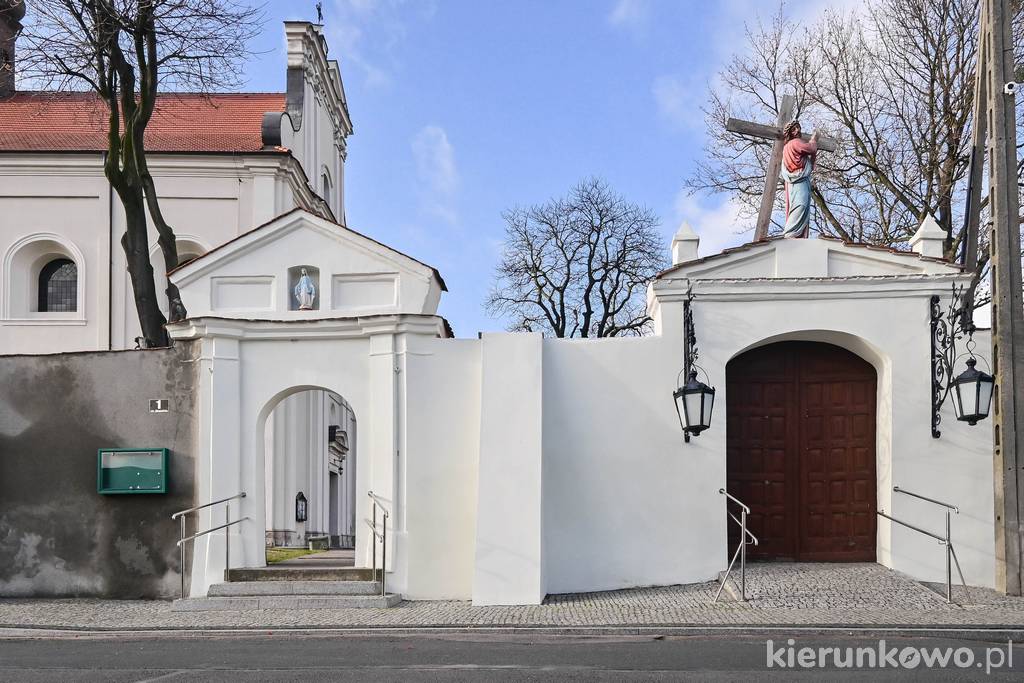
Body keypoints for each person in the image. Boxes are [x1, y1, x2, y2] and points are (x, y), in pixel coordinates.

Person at [780, 120, 818, 238]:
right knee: (800, 205)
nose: (797, 130)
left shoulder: (786, 148)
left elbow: (809, 162)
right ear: (790, 134)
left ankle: (796, 234)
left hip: (794, 183)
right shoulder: (795, 142)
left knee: (798, 205)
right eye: (793, 129)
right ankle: (791, 233)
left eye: (798, 127)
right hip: (799, 182)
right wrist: (814, 139)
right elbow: (811, 148)